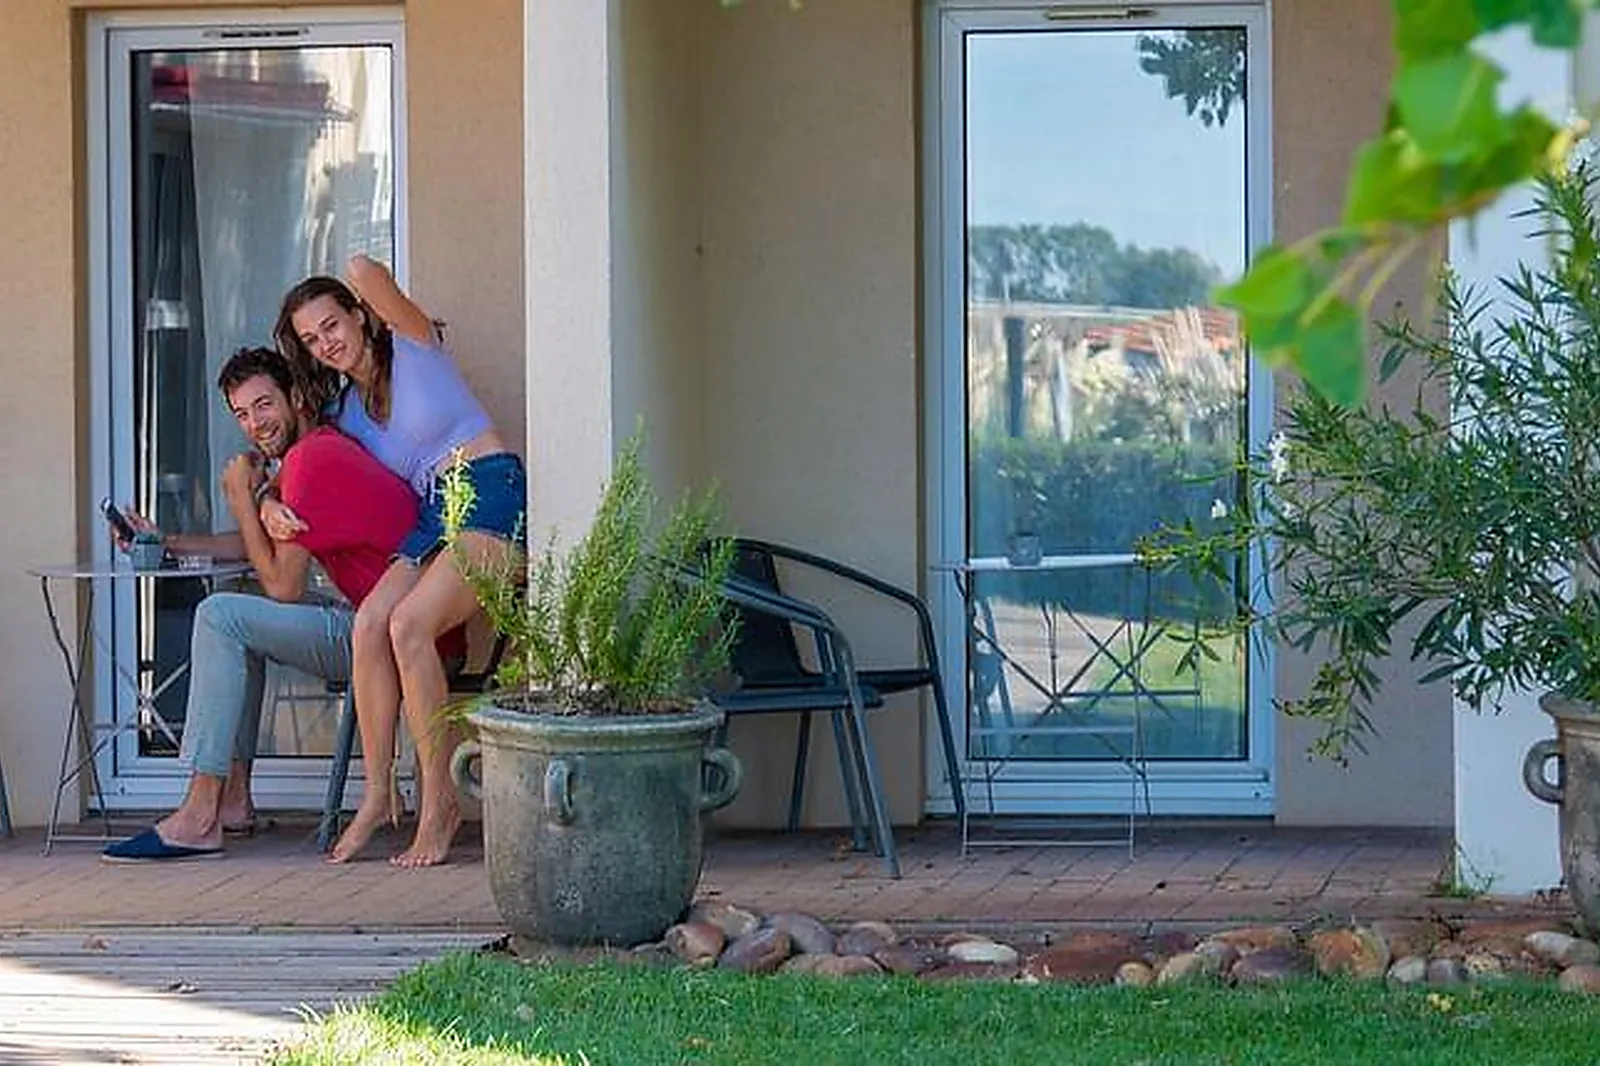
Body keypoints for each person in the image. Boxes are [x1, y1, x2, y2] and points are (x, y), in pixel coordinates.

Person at [101, 346, 431, 861]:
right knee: (233, 599)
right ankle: (231, 798)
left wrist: (240, 498)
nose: (254, 423)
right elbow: (260, 546)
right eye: (241, 413)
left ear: (295, 398)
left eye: (263, 405)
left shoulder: (311, 463)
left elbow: (283, 585)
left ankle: (199, 810)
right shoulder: (308, 455)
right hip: (373, 621)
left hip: (388, 637)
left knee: (220, 615)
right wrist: (169, 541)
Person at [271, 255, 525, 868]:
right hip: (432, 513)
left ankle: (438, 802)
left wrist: (356, 288)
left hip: (488, 488)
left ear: (360, 315)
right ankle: (379, 793)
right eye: (310, 340)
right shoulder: (345, 415)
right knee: (369, 625)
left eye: (331, 325)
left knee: (408, 625)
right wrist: (270, 500)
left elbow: (362, 269)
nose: (325, 343)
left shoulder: (415, 344)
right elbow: (295, 457)